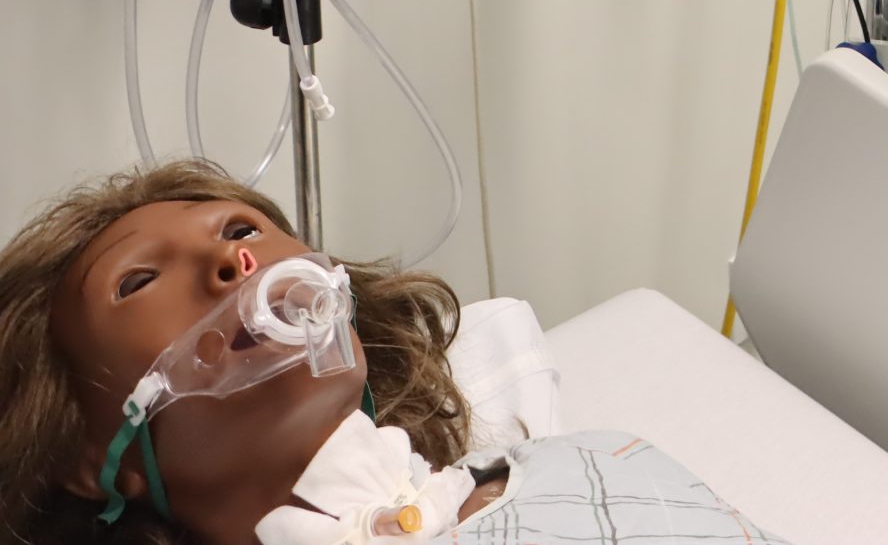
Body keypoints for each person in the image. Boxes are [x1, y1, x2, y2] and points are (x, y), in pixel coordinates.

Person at [0, 160, 782, 545]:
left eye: (242, 230)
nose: (234, 265)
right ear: (91, 453)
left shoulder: (601, 457)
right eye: (139, 280)